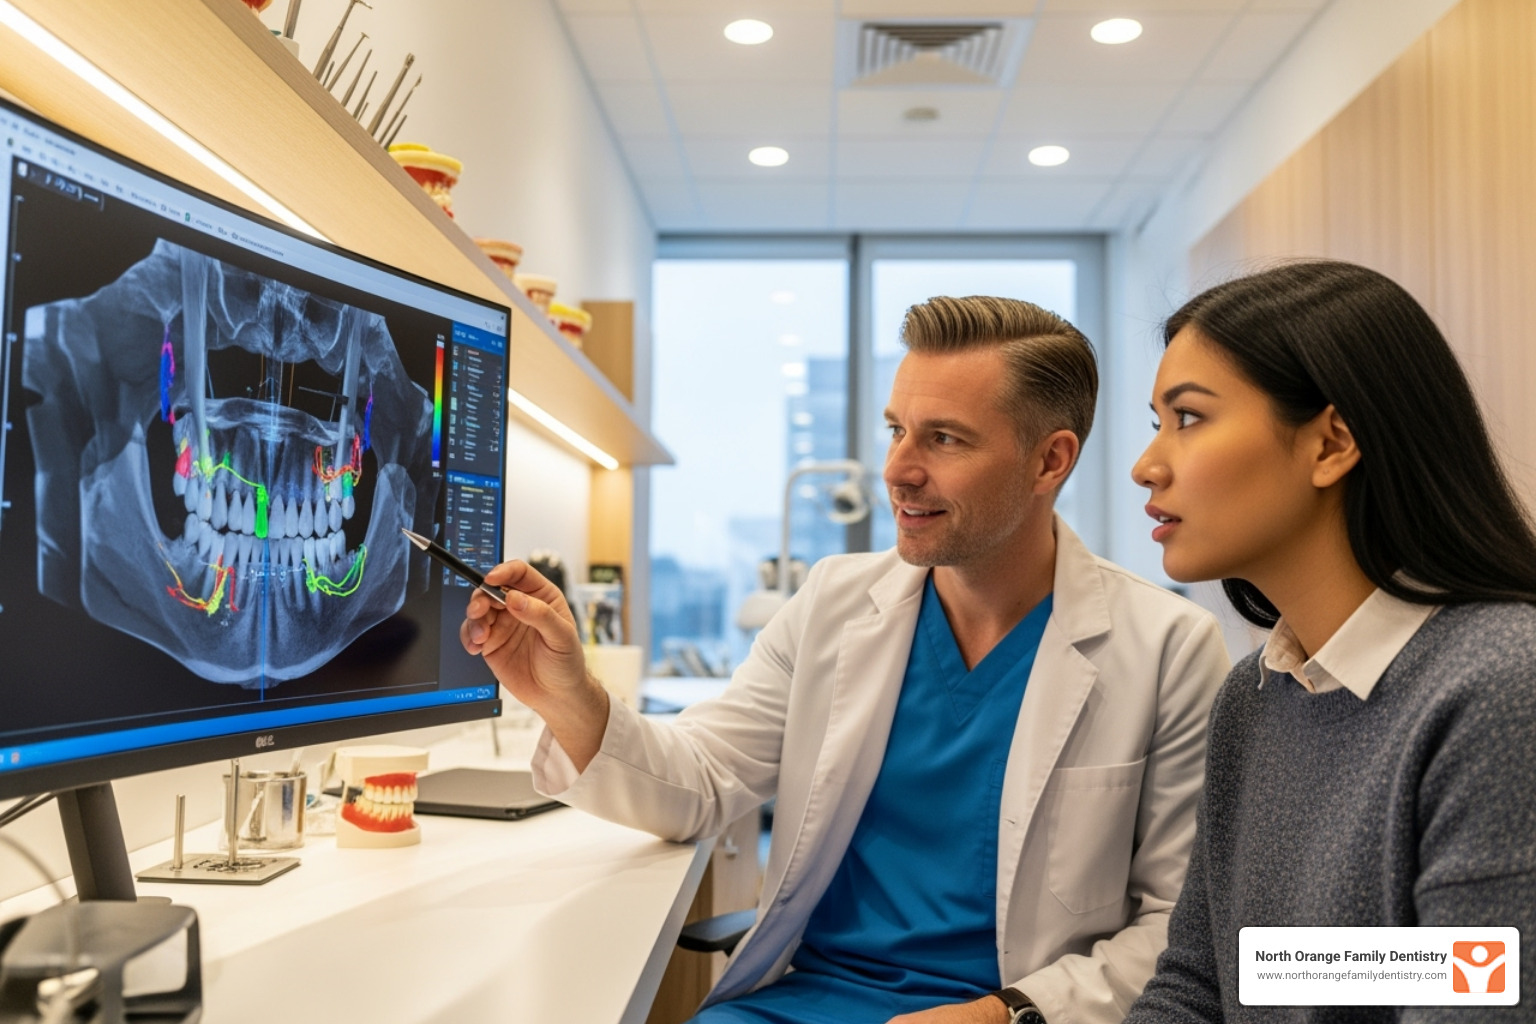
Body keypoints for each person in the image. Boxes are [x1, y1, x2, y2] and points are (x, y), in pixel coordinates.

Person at [462, 296, 1230, 1024]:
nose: (897, 469)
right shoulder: (834, 601)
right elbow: (698, 782)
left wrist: (1010, 1013)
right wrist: (566, 694)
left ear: (1049, 461)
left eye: (945, 438)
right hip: (801, 1001)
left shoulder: (1166, 647)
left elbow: (1176, 925)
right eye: (897, 429)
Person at [1125, 260, 1536, 1023]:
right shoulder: (1255, 698)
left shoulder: (1503, 689)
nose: (1146, 466)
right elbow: (1201, 987)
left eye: (1188, 418)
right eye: (1157, 425)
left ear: (1330, 444)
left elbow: (1476, 1001)